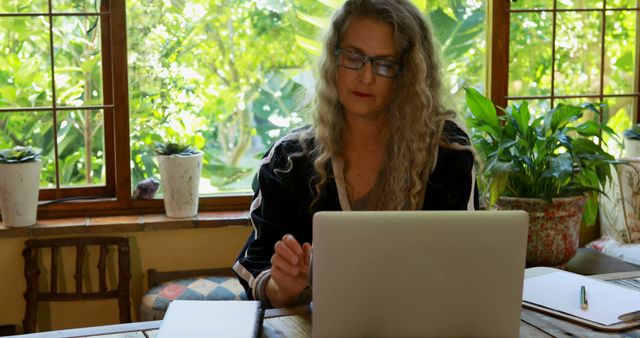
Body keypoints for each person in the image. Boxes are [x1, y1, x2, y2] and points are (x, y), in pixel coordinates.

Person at [233, 0, 478, 308]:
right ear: (334, 60)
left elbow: (463, 263)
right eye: (354, 57)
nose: (365, 77)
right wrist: (283, 287)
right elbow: (256, 261)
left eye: (384, 64)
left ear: (409, 75)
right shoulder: (289, 160)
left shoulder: (446, 149)